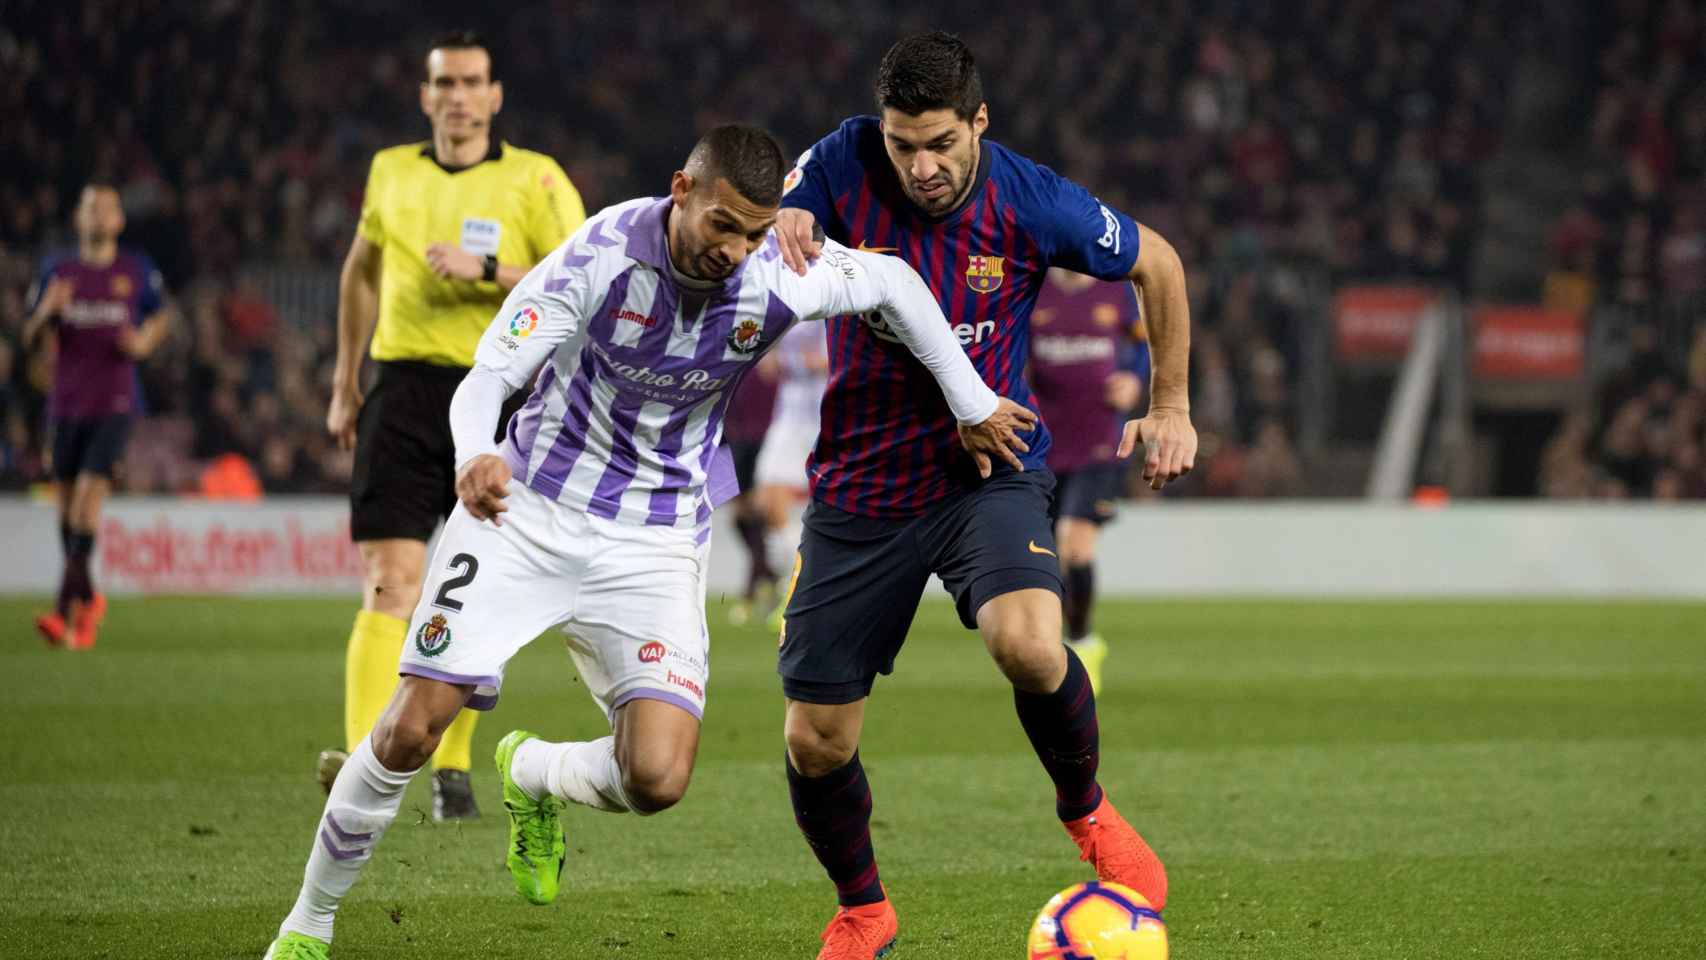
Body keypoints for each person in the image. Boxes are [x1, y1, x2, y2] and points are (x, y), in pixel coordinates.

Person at [260, 124, 1036, 960]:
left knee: (658, 780)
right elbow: (490, 371)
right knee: (413, 727)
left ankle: (533, 774)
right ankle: (307, 926)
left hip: (657, 539)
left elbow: (894, 283)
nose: (735, 250)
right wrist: (475, 453)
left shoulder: (780, 271)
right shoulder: (599, 256)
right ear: (681, 191)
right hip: (525, 513)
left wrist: (969, 398)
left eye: (752, 230)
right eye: (721, 225)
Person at [769, 32, 1197, 959]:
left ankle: (1087, 812)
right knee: (815, 742)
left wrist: (1170, 404)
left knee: (1029, 643)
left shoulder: (1032, 200)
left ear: (979, 123)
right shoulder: (841, 159)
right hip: (861, 487)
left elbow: (1157, 262)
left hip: (988, 469)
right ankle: (864, 909)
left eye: (941, 145)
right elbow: (779, 202)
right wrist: (787, 218)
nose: (920, 167)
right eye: (902, 145)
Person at [318, 30, 587, 820]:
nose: (459, 96)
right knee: (390, 581)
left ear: (495, 96)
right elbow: (360, 271)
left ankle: (453, 770)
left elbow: (580, 276)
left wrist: (490, 274)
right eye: (445, 83)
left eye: (472, 82)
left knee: (472, 591)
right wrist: (344, 378)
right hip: (401, 393)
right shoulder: (390, 172)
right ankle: (366, 765)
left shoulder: (535, 180)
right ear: (426, 94)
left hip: (500, 399)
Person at [24, 183, 172, 649]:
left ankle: (65, 613)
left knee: (87, 500)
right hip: (66, 405)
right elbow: (29, 338)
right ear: (78, 219)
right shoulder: (58, 271)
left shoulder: (135, 270)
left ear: (118, 221)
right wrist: (46, 313)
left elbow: (163, 316)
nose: (98, 214)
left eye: (106, 208)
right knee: (66, 511)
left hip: (116, 404)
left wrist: (144, 342)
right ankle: (86, 597)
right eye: (89, 207)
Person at [1029, 268, 1151, 692]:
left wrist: (1134, 378)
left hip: (1100, 442)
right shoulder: (1034, 288)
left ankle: (1081, 640)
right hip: (1040, 442)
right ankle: (1046, 648)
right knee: (1041, 554)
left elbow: (1142, 345)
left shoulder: (1116, 293)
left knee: (1073, 545)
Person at [753, 319, 830, 628]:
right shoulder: (788, 307)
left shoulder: (833, 301)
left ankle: (805, 588)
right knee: (765, 501)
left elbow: (825, 361)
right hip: (788, 417)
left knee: (827, 507)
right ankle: (794, 580)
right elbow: (766, 366)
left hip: (822, 418)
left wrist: (791, 360)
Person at [720, 358, 780, 624]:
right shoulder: (736, 362)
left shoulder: (765, 362)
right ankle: (770, 576)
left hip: (757, 442)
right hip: (732, 442)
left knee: (753, 515)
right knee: (740, 518)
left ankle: (749, 594)